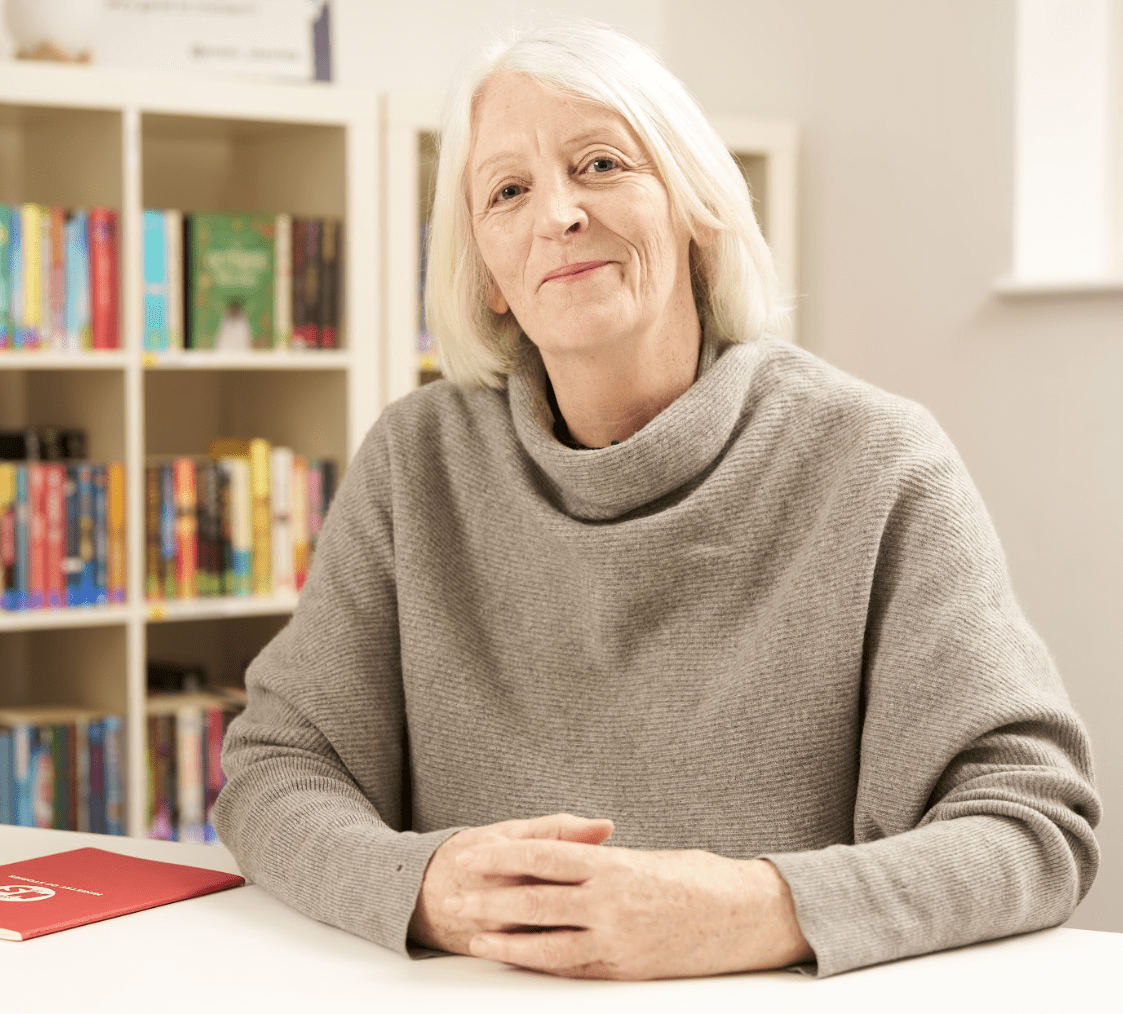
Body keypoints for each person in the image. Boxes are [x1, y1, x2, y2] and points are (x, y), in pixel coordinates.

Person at [213, 21, 1100, 980]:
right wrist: (423, 885)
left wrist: (757, 909)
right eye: (508, 191)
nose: (557, 214)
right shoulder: (413, 460)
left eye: (600, 164)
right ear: (489, 274)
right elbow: (271, 770)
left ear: (695, 208)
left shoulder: (878, 461)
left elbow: (1032, 825)